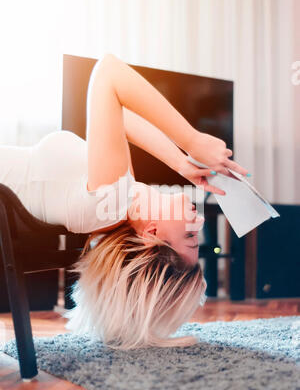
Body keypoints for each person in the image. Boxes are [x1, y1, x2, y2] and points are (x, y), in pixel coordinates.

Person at [0, 53, 249, 349]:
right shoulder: (119, 199)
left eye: (190, 235)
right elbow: (123, 119)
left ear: (152, 234)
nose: (201, 220)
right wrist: (181, 163)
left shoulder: (111, 203)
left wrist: (192, 140)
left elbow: (108, 72)